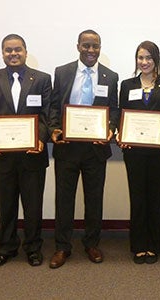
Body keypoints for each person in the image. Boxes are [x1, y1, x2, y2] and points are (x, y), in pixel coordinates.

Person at [48, 29, 119, 268]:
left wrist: (110, 128)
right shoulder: (62, 72)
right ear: (78, 46)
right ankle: (62, 247)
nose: (91, 50)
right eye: (86, 45)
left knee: (94, 199)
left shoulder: (111, 76)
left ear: (100, 48)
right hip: (67, 148)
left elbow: (114, 109)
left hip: (95, 149)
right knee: (64, 200)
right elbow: (54, 106)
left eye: (95, 46)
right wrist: (54, 129)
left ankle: (91, 243)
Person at [0, 34, 52, 268]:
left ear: (25, 52)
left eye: (17, 49)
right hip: (2, 157)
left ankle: (33, 248)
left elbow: (45, 115)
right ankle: (6, 248)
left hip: (33, 157)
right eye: (8, 50)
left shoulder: (41, 79)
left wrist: (40, 138)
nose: (13, 54)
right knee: (6, 206)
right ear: (2, 53)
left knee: (33, 207)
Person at [116, 41, 160, 264]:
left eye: (149, 58)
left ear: (156, 60)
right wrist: (120, 133)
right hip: (134, 151)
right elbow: (121, 114)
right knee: (138, 196)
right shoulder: (127, 84)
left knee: (157, 197)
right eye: (140, 58)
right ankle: (139, 245)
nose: (144, 62)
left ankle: (156, 245)